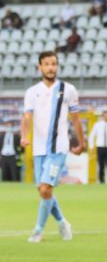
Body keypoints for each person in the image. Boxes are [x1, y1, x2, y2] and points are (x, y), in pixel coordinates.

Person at [21, 51, 82, 242]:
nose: (50, 68)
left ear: (57, 66)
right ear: (39, 67)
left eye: (54, 64)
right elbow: (27, 117)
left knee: (46, 188)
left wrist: (82, 142)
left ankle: (38, 230)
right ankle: (63, 222)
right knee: (43, 190)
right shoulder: (32, 92)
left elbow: (75, 119)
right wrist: (24, 136)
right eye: (46, 64)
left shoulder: (68, 89)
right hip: (39, 149)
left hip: (58, 148)